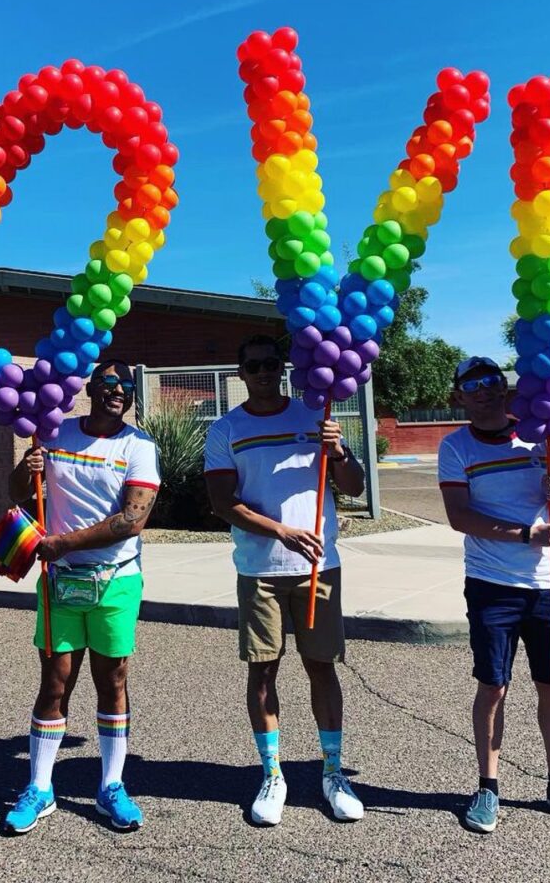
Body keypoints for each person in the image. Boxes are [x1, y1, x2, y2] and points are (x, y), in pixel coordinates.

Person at [438, 356, 550, 833]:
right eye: (473, 384)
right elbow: (459, 517)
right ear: (460, 396)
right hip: (493, 587)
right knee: (493, 686)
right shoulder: (455, 448)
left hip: (549, 585)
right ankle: (488, 788)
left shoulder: (544, 436)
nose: (485, 390)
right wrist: (523, 533)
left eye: (492, 380)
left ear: (506, 388)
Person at [204, 334, 366, 827]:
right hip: (261, 571)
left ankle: (333, 773)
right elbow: (221, 502)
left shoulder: (316, 417)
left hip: (319, 567)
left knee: (322, 667)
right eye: (252, 366)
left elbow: (354, 486)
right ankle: (273, 773)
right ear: (240, 374)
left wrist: (339, 454)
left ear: (284, 368)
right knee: (264, 671)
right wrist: (280, 532)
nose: (262, 372)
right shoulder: (225, 429)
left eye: (271, 363)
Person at [2, 358, 160, 835]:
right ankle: (40, 787)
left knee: (112, 679)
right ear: (89, 388)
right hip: (60, 581)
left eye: (126, 385)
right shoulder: (54, 434)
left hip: (116, 579)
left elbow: (131, 520)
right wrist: (23, 470)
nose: (118, 391)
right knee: (56, 681)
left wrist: (63, 543)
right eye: (109, 382)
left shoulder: (140, 446)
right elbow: (20, 497)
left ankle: (112, 784)